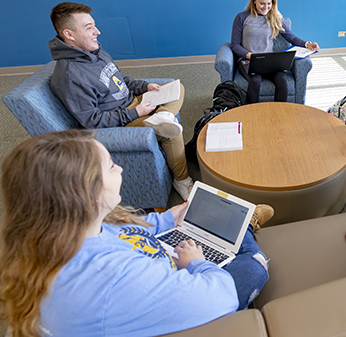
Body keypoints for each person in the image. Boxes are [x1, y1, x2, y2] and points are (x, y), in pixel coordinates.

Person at [0, 130, 274, 336]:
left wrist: (168, 218)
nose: (119, 168)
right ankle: (247, 224)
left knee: (192, 225)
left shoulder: (62, 231)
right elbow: (220, 296)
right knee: (255, 266)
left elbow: (124, 231)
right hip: (179, 283)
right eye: (110, 165)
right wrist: (196, 264)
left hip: (156, 270)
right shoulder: (111, 279)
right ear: (88, 194)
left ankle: (241, 223)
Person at [48, 2, 193, 200]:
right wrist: (136, 113)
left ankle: (162, 116)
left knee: (176, 87)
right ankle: (182, 180)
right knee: (171, 130)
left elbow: (120, 80)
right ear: (69, 34)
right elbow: (91, 121)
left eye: (94, 25)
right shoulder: (69, 76)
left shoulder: (95, 51)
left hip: (134, 102)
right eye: (89, 27)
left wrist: (145, 87)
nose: (97, 32)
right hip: (123, 120)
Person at [231, 0, 320, 104]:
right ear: (254, 1)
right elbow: (234, 45)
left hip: (268, 60)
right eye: (262, 3)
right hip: (248, 60)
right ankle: (254, 115)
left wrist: (307, 44)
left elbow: (291, 37)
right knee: (255, 81)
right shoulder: (241, 18)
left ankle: (279, 114)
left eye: (269, 3)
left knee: (282, 80)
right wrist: (249, 55)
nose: (266, 7)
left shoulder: (275, 17)